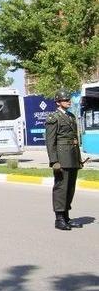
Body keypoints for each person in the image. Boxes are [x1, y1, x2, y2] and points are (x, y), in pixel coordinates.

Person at [45, 89, 83, 231]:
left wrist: (78, 159)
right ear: (58, 102)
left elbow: (75, 140)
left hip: (72, 157)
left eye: (68, 99)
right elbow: (50, 141)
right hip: (61, 158)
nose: (68, 101)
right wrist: (54, 161)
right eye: (65, 99)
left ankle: (66, 217)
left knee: (70, 188)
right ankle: (59, 219)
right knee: (61, 188)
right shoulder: (53, 118)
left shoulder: (71, 116)